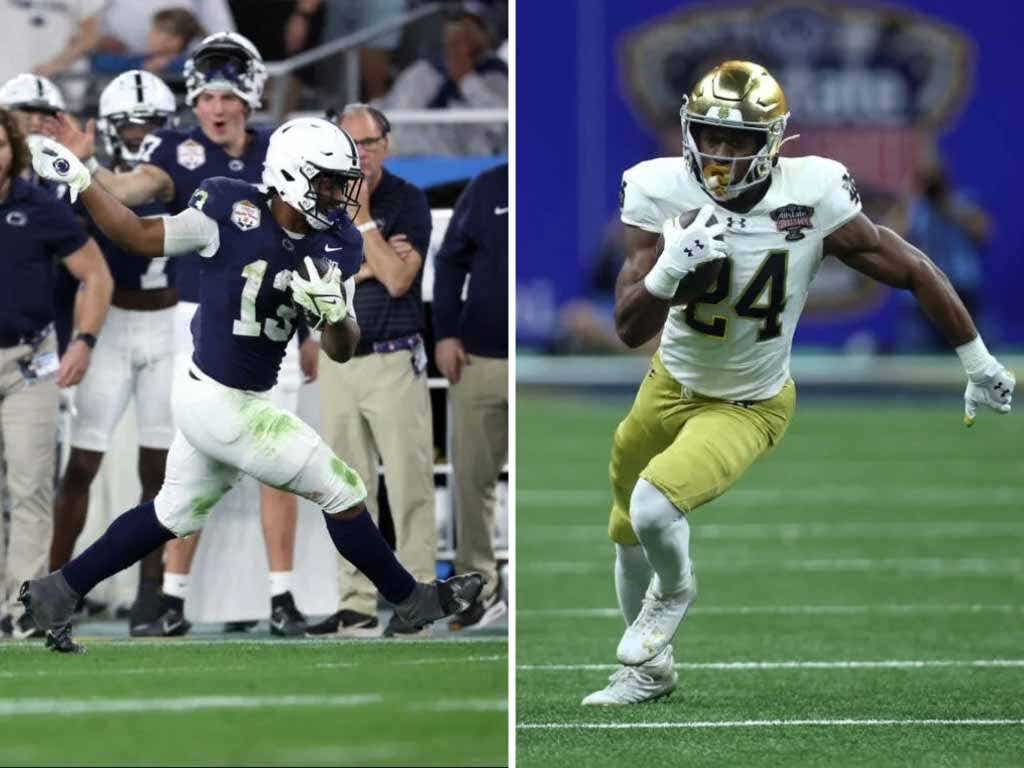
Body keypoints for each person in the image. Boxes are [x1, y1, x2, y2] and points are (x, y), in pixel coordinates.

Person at [582, 61, 1015, 706]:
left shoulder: (812, 194)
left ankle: (673, 593)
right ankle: (650, 671)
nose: (722, 155)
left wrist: (977, 360)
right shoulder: (660, 189)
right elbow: (626, 324)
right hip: (667, 382)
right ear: (687, 131)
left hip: (749, 403)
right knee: (627, 529)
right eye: (710, 135)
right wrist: (666, 273)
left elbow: (913, 268)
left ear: (776, 141)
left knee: (653, 505)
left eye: (739, 140)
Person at [21, 115, 484, 654]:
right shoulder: (227, 207)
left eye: (341, 181)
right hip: (215, 397)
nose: (340, 195)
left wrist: (334, 316)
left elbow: (341, 347)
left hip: (240, 398)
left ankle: (60, 590)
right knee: (342, 487)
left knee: (173, 511)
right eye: (329, 181)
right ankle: (411, 599)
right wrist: (84, 183)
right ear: (292, 175)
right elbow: (137, 234)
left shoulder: (336, 242)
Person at [48, 31, 320, 637]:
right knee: (190, 461)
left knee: (285, 460)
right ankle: (169, 596)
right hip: (200, 324)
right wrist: (87, 167)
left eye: (227, 96)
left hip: (273, 325)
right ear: (193, 101)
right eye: (207, 97)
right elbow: (128, 192)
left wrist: (308, 327)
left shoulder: (281, 152)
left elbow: (305, 243)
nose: (216, 108)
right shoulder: (178, 151)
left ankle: (281, 596)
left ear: (249, 98)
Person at [49, 70, 178, 633]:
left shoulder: (172, 166)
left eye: (149, 123)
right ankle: (54, 586)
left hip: (169, 321)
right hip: (113, 320)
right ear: (108, 126)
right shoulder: (78, 175)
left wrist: (82, 168)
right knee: (83, 461)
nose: (139, 133)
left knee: (161, 468)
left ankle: (151, 594)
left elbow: (135, 192)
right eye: (130, 124)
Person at [307, 103, 436, 638]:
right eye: (351, 143)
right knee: (343, 490)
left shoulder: (407, 200)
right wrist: (369, 267)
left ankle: (420, 597)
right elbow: (316, 274)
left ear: (388, 143)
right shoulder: (317, 204)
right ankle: (355, 603)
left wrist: (361, 224)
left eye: (371, 143)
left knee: (409, 486)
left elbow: (400, 281)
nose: (361, 154)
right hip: (339, 361)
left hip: (392, 358)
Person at [0, 108, 112, 640]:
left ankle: (22, 606)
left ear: (14, 152)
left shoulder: (39, 206)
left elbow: (96, 274)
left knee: (30, 487)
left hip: (28, 362)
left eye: (0, 145)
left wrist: (84, 341)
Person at [432, 162, 508, 630]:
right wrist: (444, 332)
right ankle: (482, 589)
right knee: (471, 480)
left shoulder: (545, 182)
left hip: (521, 361)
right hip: (478, 357)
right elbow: (449, 259)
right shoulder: (487, 185)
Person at [378, 10, 507, 156]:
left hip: (476, 159)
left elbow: (501, 127)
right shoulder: (423, 71)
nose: (461, 43)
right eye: (455, 37)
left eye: (467, 35)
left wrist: (466, 79)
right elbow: (398, 119)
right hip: (422, 158)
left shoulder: (496, 75)